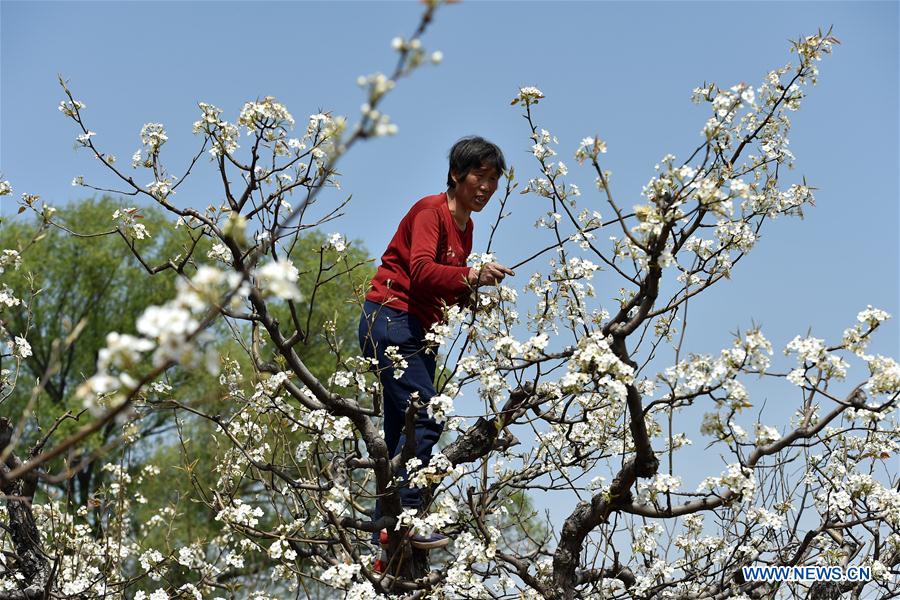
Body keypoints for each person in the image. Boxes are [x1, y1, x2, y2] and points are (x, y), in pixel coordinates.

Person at [358, 136, 514, 551]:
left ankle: (386, 535)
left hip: (419, 331)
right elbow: (424, 272)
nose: (485, 187)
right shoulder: (431, 211)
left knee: (399, 434)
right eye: (479, 176)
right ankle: (408, 520)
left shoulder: (467, 228)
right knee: (427, 416)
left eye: (493, 180)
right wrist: (472, 277)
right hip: (390, 319)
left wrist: (469, 295)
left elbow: (442, 287)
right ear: (455, 175)